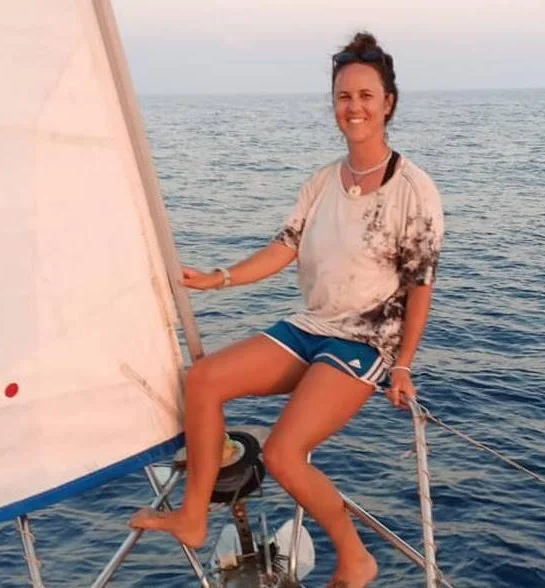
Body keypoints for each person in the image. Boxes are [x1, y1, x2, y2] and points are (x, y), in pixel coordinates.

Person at [130, 30, 444, 588]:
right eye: (344, 96)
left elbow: (421, 284)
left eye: (366, 96)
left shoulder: (414, 190)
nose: (354, 108)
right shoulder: (323, 181)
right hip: (311, 325)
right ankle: (194, 517)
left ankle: (356, 558)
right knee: (202, 380)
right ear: (333, 104)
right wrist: (218, 279)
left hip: (363, 341)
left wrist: (402, 364)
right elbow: (286, 247)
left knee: (282, 454)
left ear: (388, 102)